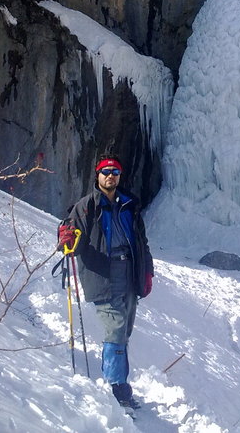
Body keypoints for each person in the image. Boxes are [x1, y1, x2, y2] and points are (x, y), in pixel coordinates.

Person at [58, 154, 153, 410]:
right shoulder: (86, 206)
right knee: (116, 329)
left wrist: (147, 272)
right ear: (97, 175)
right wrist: (67, 239)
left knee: (125, 331)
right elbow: (71, 236)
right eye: (105, 171)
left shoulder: (130, 205)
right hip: (102, 273)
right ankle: (116, 388)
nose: (110, 175)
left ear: (119, 176)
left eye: (115, 172)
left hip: (129, 272)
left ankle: (118, 384)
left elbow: (142, 242)